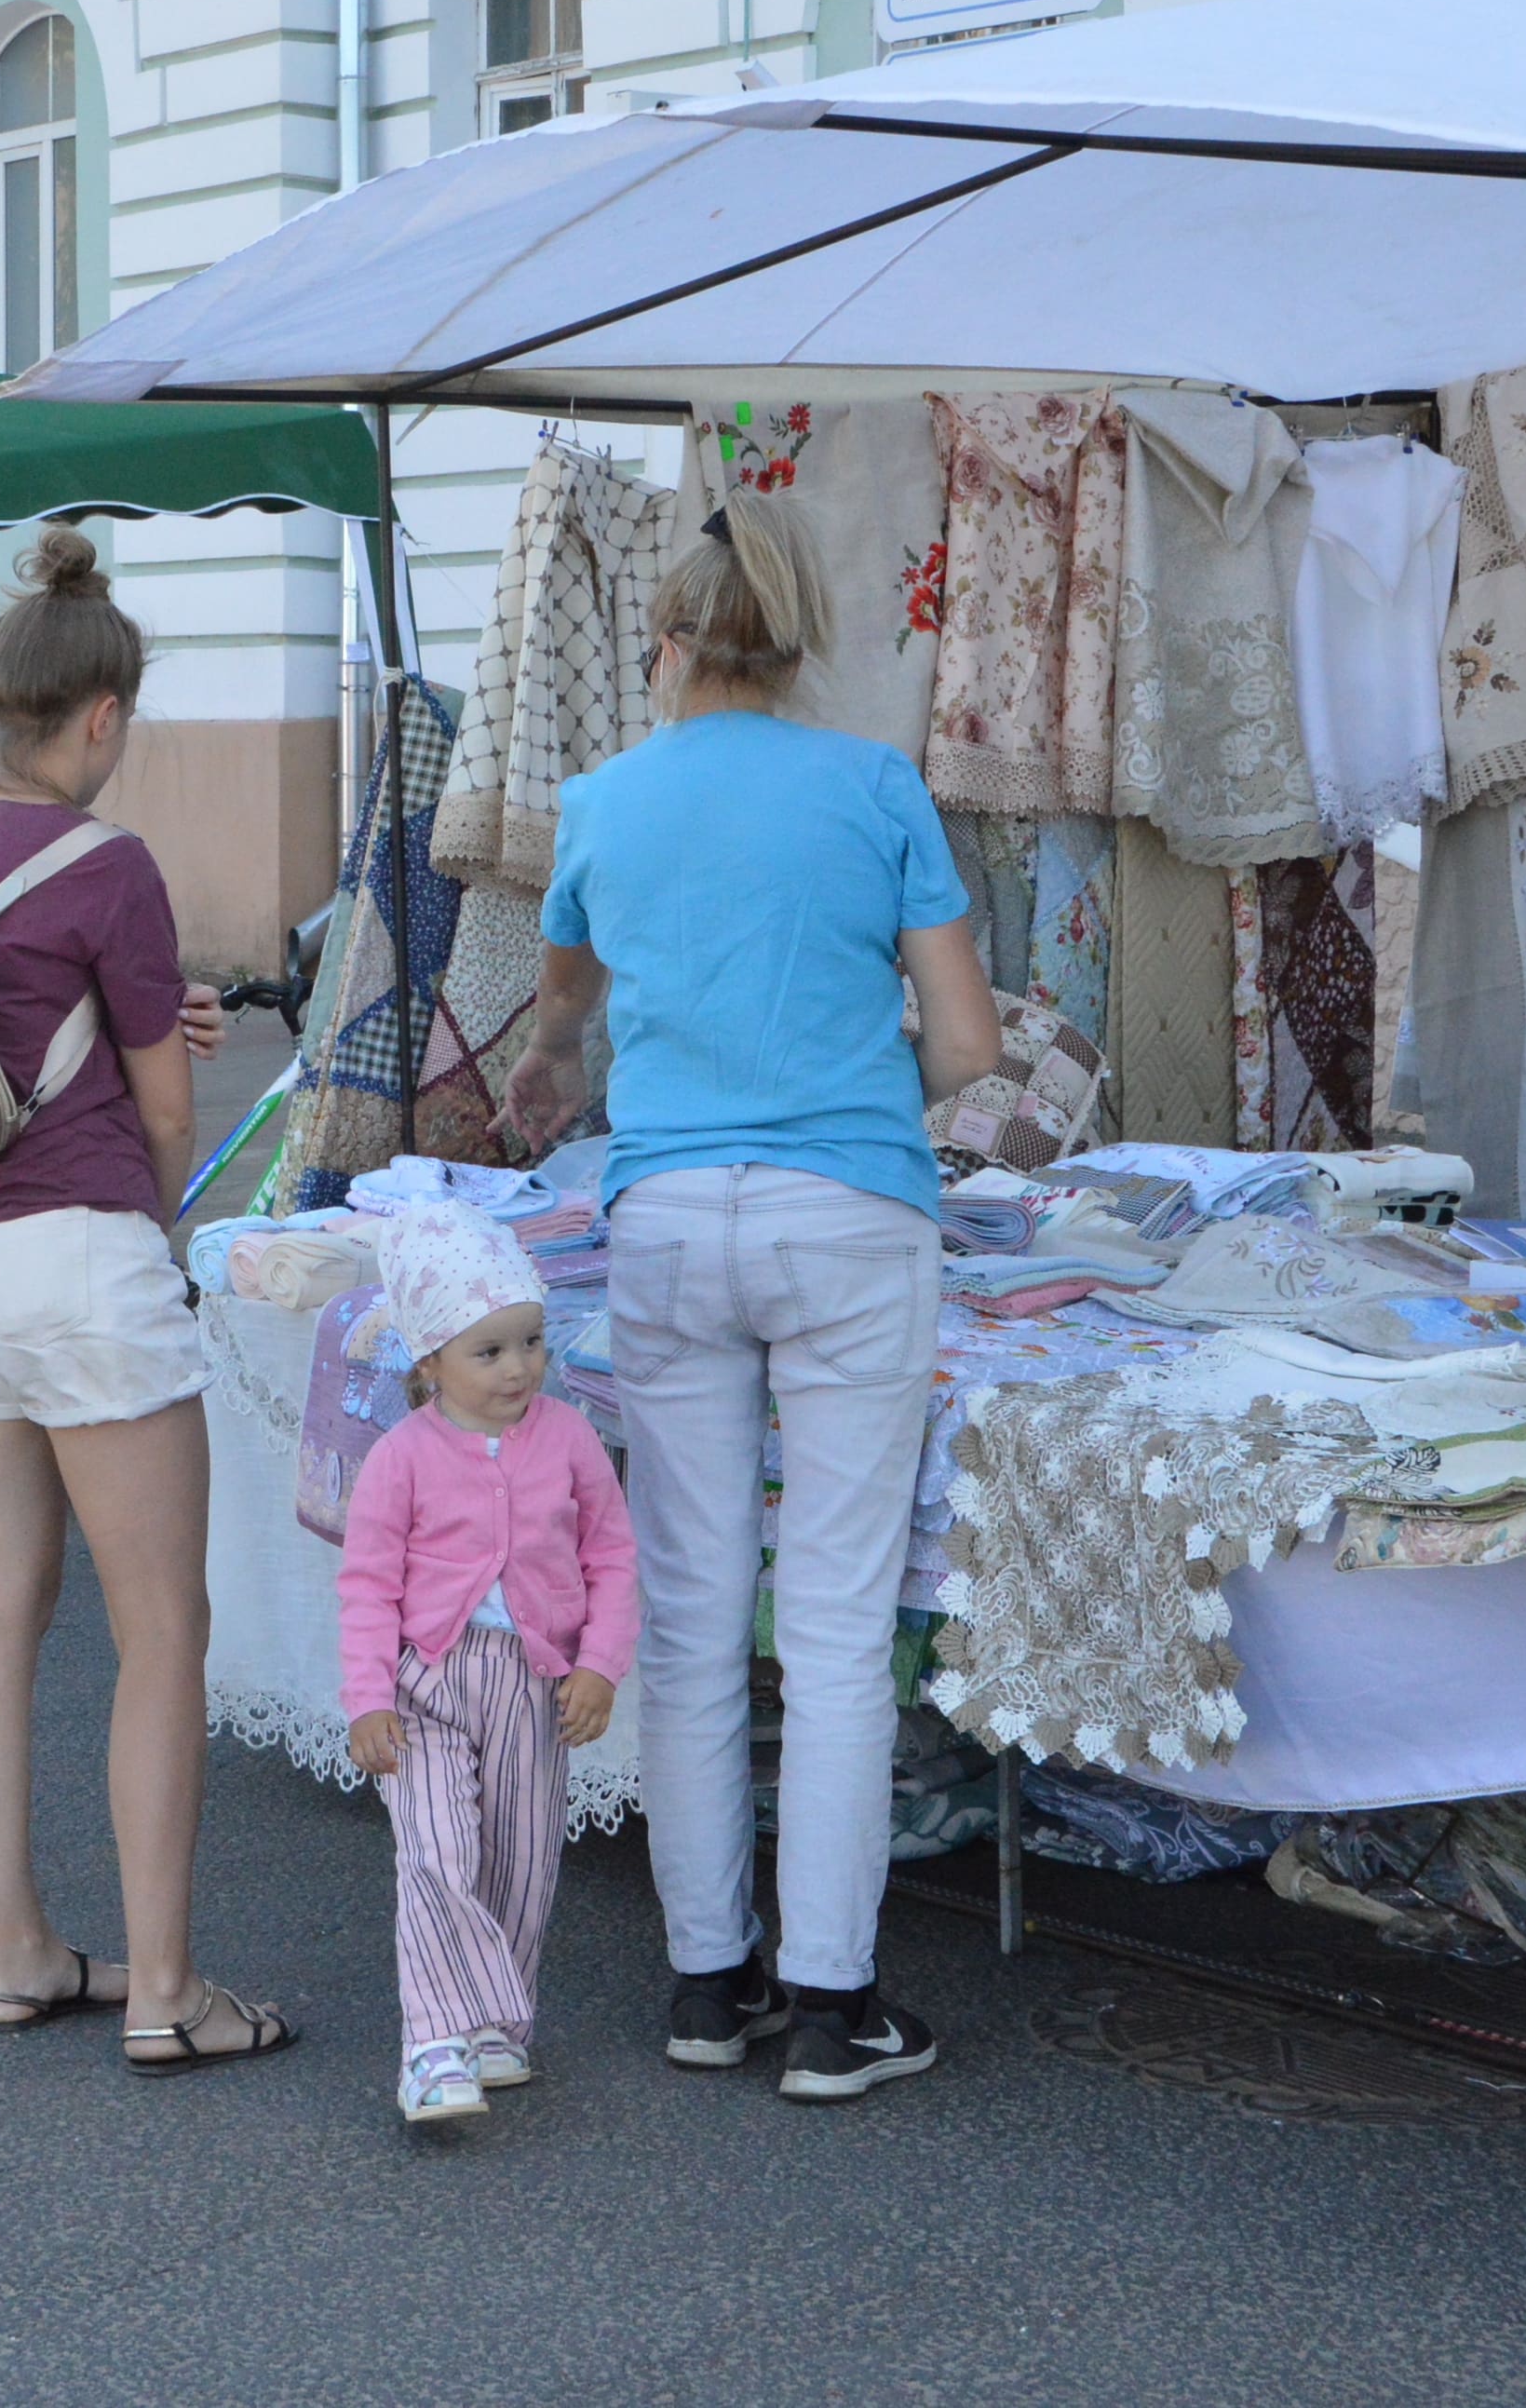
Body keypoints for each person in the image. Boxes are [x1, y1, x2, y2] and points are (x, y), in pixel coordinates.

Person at [502, 491, 1003, 2106]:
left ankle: (705, 1986)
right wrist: (855, 1081)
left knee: (696, 1613)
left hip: (660, 1218)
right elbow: (971, 1048)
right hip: (852, 1208)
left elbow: (562, 1015)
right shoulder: (874, 786)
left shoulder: (604, 800)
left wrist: (556, 1063)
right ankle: (836, 2003)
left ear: (664, 644)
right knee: (843, 1626)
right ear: (798, 648)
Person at [0, 526, 284, 2069]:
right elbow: (164, 1112)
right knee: (159, 1620)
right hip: (74, 1254)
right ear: (99, 716)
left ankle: (16, 1951)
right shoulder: (109, 864)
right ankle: (169, 1993)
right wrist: (161, 1194)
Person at [337, 1204, 636, 2124]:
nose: (520, 1368)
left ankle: (500, 2024)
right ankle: (432, 2042)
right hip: (424, 1685)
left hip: (533, 1684)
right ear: (429, 1363)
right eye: (490, 1351)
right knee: (436, 1851)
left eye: (532, 1342)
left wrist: (600, 1665)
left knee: (522, 1857)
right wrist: (363, 1699)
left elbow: (614, 1556)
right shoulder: (401, 1458)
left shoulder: (572, 1438)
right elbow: (365, 1585)